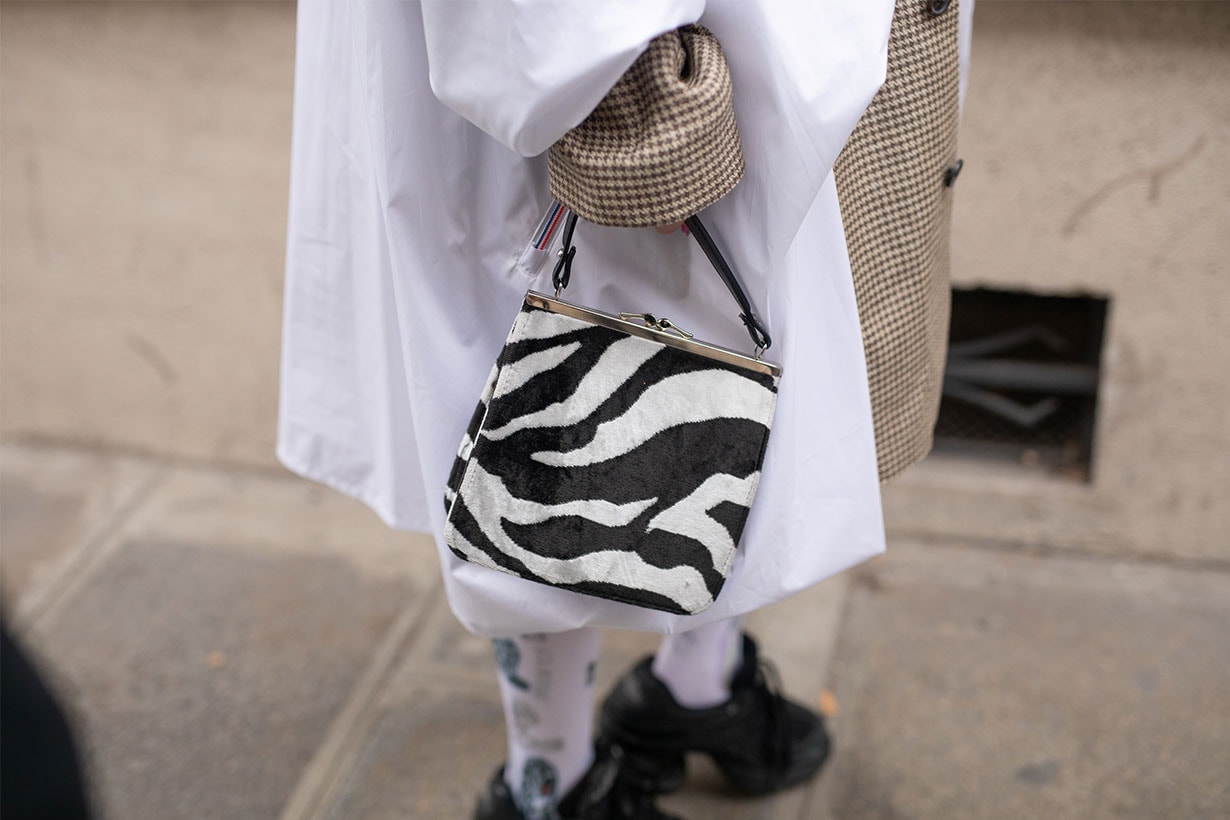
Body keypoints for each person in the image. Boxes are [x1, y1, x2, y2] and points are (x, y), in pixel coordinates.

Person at [279, 2, 972, 817]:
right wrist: (626, 104)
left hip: (758, 44)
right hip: (615, 53)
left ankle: (695, 683)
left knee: (722, 397)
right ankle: (552, 783)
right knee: (548, 446)